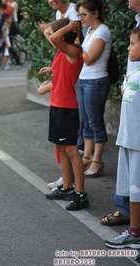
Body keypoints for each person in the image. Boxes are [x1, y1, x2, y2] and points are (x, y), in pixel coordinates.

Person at [100, 0, 140, 227]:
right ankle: (131, 220)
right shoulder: (137, 21)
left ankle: (135, 228)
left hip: (137, 135)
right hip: (130, 133)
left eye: (132, 43)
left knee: (136, 181)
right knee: (131, 179)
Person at [42, 18, 88, 211]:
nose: (51, 37)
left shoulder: (73, 50)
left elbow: (53, 36)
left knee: (71, 151)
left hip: (67, 108)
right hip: (57, 105)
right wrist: (53, 69)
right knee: (61, 149)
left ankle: (80, 193)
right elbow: (51, 35)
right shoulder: (62, 51)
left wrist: (72, 25)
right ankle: (67, 187)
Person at [76, 0, 111, 178]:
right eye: (80, 15)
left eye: (84, 14)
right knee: (85, 121)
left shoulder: (103, 32)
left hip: (96, 81)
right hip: (84, 80)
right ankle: (87, 156)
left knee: (95, 122)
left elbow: (89, 59)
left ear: (95, 13)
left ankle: (98, 160)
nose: (81, 18)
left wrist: (76, 45)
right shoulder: (89, 31)